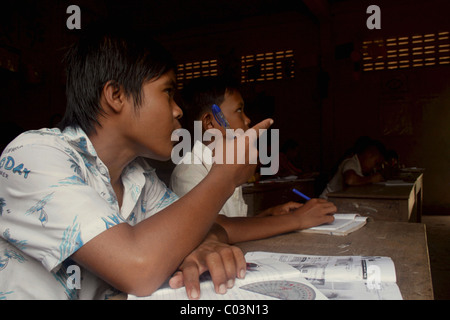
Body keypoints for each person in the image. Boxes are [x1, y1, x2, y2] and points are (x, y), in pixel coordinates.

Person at [0, 22, 273, 300]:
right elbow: (137, 267)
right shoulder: (33, 155)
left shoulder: (139, 177)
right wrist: (224, 177)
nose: (178, 110)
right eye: (167, 91)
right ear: (116, 95)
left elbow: (204, 226)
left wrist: (202, 247)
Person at [170, 76, 336, 244]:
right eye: (239, 110)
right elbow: (215, 229)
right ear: (209, 123)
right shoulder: (189, 170)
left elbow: (235, 223)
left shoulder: (228, 163)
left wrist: (269, 214)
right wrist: (298, 219)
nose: (248, 119)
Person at [320, 137, 386, 199]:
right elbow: (350, 180)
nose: (375, 168)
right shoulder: (351, 162)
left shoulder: (360, 168)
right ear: (369, 155)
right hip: (326, 203)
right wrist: (372, 179)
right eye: (376, 163)